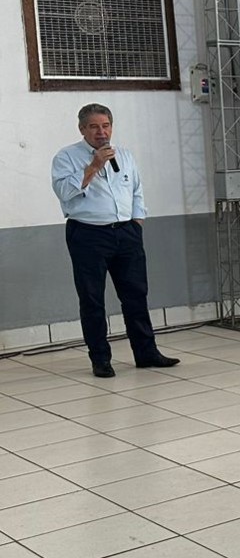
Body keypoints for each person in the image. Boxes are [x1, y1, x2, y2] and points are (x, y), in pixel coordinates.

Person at [51, 104, 180, 378]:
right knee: (92, 298)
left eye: (106, 125)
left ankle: (146, 353)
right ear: (82, 129)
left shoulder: (125, 155)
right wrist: (94, 166)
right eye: (94, 127)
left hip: (126, 233)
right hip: (88, 234)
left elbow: (136, 191)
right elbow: (63, 191)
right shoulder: (66, 157)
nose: (102, 132)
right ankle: (100, 359)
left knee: (136, 295)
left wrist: (137, 222)